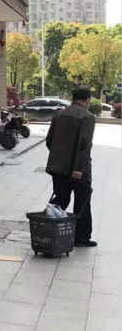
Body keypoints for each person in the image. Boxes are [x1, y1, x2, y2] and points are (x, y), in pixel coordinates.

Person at [45, 86, 96, 247]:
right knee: (82, 203)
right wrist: (78, 169)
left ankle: (49, 233)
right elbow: (84, 145)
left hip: (58, 168)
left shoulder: (59, 114)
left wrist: (60, 158)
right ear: (87, 100)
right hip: (78, 170)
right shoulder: (87, 117)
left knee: (60, 200)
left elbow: (49, 141)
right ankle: (81, 238)